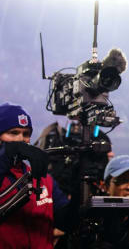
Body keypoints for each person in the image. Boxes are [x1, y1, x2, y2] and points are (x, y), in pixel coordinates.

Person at [0, 103, 70, 249]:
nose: (21, 139)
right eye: (13, 132)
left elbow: (67, 222)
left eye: (26, 134)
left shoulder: (43, 179)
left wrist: (77, 189)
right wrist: (5, 155)